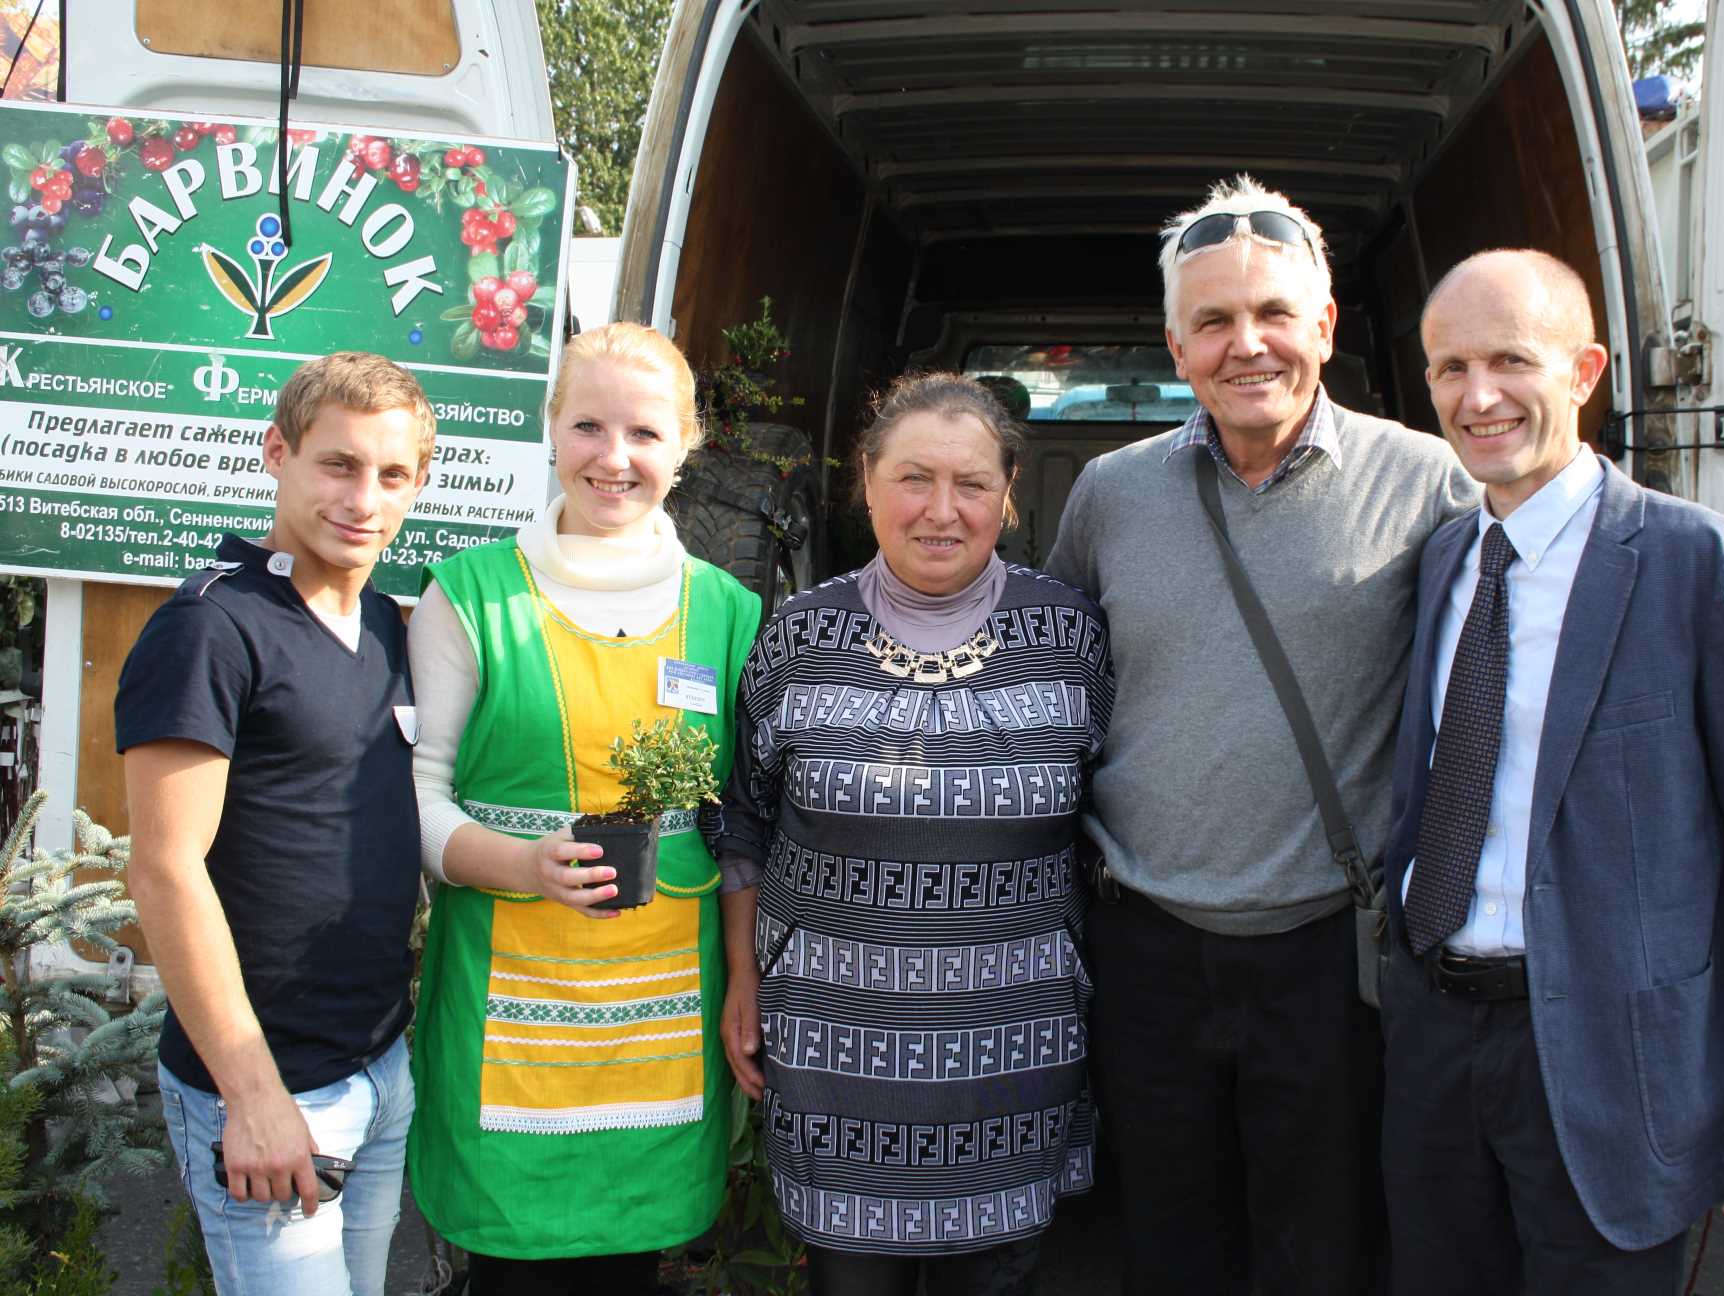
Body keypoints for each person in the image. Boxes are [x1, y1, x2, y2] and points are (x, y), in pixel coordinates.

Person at [1040, 175, 1724, 1294]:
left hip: (1334, 951)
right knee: (1168, 1238)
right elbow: (1049, 665)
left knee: (1329, 1249)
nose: (1246, 344)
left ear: (1326, 327)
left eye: (1274, 313)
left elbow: (1569, 532)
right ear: (1176, 345)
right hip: (1147, 943)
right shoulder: (1109, 495)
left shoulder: (1431, 479)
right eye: (1213, 320)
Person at [1380, 249, 1724, 1294]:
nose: (1479, 396)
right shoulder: (1444, 559)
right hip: (1433, 1046)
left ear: (1585, 370)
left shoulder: (1699, 564)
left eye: (1512, 360)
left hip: (1611, 1069)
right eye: (1452, 368)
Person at [716, 372, 1114, 1295]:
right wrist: (743, 979)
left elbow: (1117, 809)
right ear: (866, 481)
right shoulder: (798, 635)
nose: (941, 510)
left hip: (1012, 1051)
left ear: (1008, 494)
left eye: (971, 483)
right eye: (913, 478)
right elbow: (742, 817)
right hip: (832, 1049)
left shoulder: (1071, 637)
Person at [405, 323, 762, 1294]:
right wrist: (523, 863)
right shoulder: (469, 597)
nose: (614, 457)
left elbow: (741, 821)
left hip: (663, 1026)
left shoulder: (728, 611)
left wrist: (744, 976)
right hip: (508, 1022)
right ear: (550, 426)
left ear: (685, 446)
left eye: (645, 433)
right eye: (588, 426)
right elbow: (419, 797)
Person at [117, 352, 435, 1296]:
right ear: (277, 453)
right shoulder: (211, 627)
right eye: (338, 464)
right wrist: (251, 1094)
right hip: (266, 1090)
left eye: (392, 474)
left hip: (377, 1067)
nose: (363, 500)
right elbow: (164, 870)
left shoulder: (386, 624)